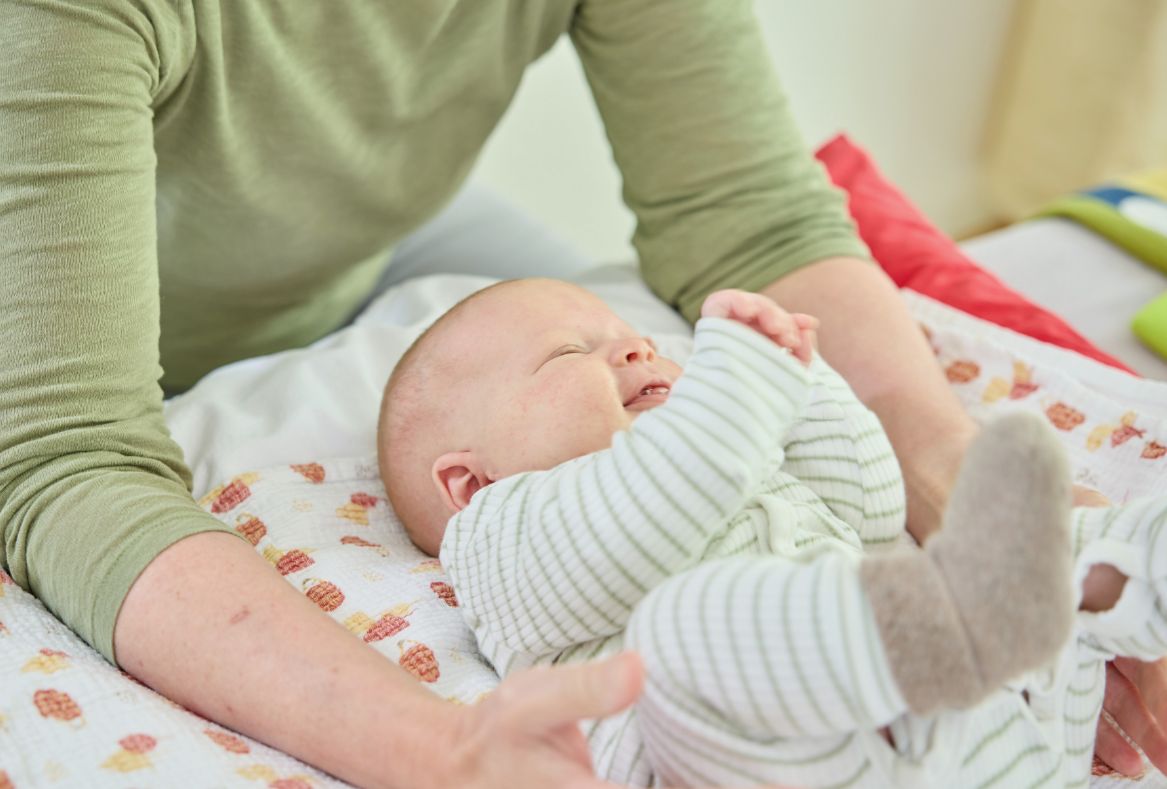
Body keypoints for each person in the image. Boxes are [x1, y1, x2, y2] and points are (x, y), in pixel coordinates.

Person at [0, 1, 1161, 785]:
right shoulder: (522, 536)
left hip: (352, 248)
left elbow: (751, 215)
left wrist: (974, 510)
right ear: (470, 488)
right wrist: (446, 750)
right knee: (680, 626)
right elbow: (66, 455)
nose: (648, 362)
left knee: (551, 312)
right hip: (51, 325)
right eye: (583, 367)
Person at [379, 277, 1163, 787]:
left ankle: (1125, 572)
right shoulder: (502, 537)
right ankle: (975, 616)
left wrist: (803, 383)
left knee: (1064, 533)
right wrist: (743, 386)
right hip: (772, 763)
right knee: (680, 630)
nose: (634, 345)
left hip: (978, 743)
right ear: (467, 481)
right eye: (567, 353)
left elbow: (869, 508)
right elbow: (661, 491)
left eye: (630, 335)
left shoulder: (733, 458)